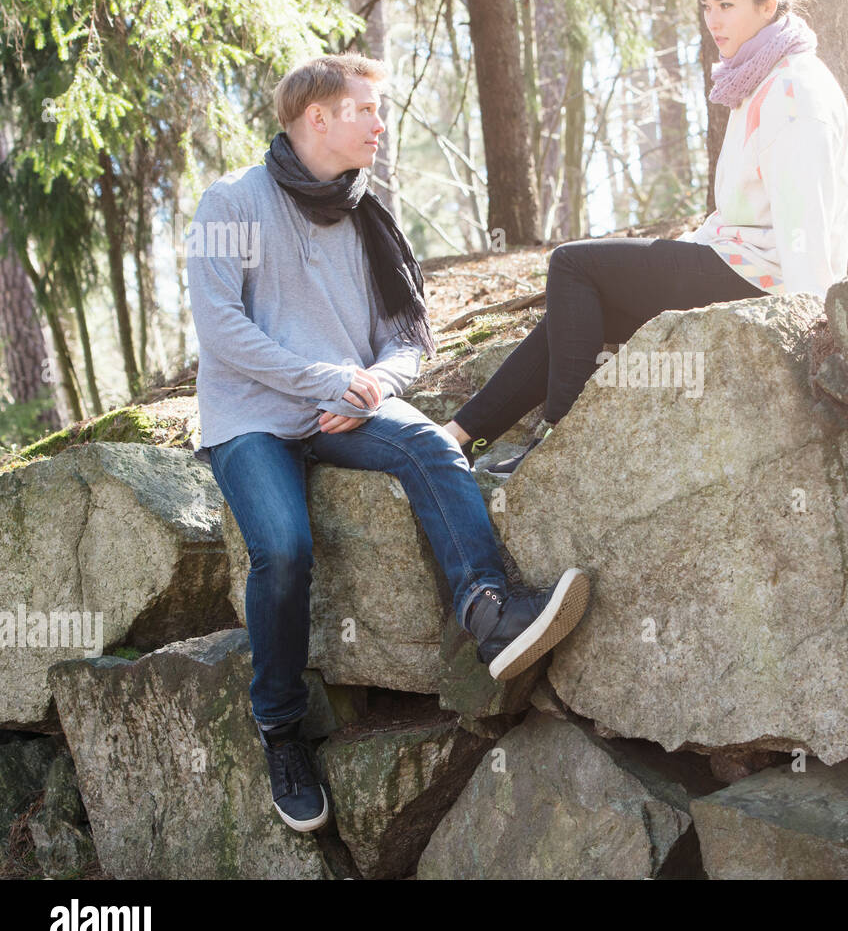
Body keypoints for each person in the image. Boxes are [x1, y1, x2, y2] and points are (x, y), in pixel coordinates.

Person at [185, 53, 590, 834]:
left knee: (434, 448)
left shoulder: (367, 210)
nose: (380, 124)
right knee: (284, 547)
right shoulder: (232, 200)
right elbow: (220, 331)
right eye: (367, 109)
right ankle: (280, 728)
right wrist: (323, 381)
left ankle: (490, 611)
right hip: (252, 419)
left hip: (344, 404)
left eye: (381, 110)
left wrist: (377, 383)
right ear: (317, 120)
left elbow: (408, 338)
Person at [442, 0, 848, 473]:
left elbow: (807, 219)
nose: (712, 20)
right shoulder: (757, 80)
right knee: (580, 311)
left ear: (768, 5)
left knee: (572, 263)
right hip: (739, 262)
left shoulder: (794, 91)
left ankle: (559, 445)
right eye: (706, 6)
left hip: (763, 281)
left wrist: (811, 329)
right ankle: (458, 437)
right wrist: (678, 254)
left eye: (726, 5)